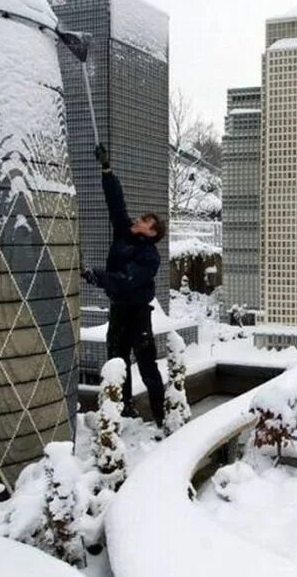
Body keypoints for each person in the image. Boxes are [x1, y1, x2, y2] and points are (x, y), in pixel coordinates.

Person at [81, 143, 167, 426]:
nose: (138, 219)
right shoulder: (124, 232)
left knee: (146, 366)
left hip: (138, 313)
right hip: (118, 310)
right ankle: (124, 409)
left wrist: (96, 275)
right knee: (116, 363)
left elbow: (125, 281)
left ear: (151, 233)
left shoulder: (148, 256)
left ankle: (161, 415)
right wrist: (107, 169)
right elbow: (115, 201)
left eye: (145, 220)